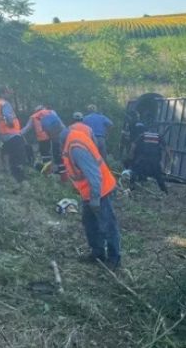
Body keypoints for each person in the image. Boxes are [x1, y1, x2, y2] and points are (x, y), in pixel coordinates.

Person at [41, 113, 121, 269]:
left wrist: (95, 199)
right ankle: (97, 253)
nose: (45, 135)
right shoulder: (69, 138)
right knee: (90, 223)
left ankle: (114, 259)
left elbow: (94, 175)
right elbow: (75, 168)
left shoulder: (75, 146)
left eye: (45, 131)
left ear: (52, 131)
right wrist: (56, 168)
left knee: (107, 225)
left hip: (99, 190)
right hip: (89, 192)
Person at [0, 86, 27, 183]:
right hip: (13, 134)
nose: (9, 94)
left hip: (2, 135)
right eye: (7, 93)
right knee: (18, 158)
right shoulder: (5, 104)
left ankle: (11, 178)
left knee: (8, 156)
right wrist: (11, 124)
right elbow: (8, 117)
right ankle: (20, 180)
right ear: (1, 94)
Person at [128, 123, 170, 193]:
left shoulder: (143, 135)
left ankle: (131, 187)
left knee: (135, 171)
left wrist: (131, 155)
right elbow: (166, 147)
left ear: (148, 129)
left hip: (143, 158)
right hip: (155, 160)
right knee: (158, 176)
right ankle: (165, 191)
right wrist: (169, 157)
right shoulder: (159, 136)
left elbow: (133, 145)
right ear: (156, 130)